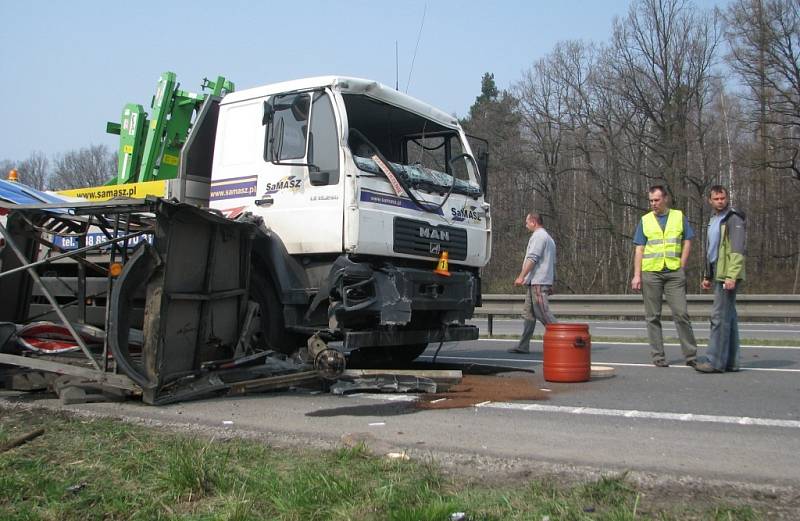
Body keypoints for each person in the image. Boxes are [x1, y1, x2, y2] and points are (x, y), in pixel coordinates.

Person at [631, 185, 698, 367]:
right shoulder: (644, 220)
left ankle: (691, 355)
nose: (653, 204)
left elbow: (688, 240)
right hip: (651, 272)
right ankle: (658, 357)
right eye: (651, 200)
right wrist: (636, 275)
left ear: (665, 199)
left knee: (681, 313)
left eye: (657, 200)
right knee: (653, 316)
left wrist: (682, 265)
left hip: (674, 273)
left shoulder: (678, 216)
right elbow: (639, 248)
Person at [695, 185, 746, 373]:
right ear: (710, 201)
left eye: (722, 198)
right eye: (716, 199)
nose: (720, 201)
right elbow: (712, 249)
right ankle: (731, 361)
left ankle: (714, 361)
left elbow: (737, 250)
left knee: (718, 317)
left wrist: (732, 275)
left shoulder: (733, 218)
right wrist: (708, 275)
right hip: (717, 270)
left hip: (728, 272)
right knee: (729, 317)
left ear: (727, 198)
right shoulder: (713, 220)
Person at [508, 212, 556, 354]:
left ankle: (565, 339)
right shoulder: (548, 238)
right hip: (534, 282)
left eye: (527, 222)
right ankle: (523, 346)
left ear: (534, 222)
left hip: (538, 282)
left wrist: (521, 276)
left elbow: (533, 258)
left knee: (543, 314)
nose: (526, 224)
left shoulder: (539, 236)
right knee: (528, 314)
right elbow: (553, 263)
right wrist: (553, 282)